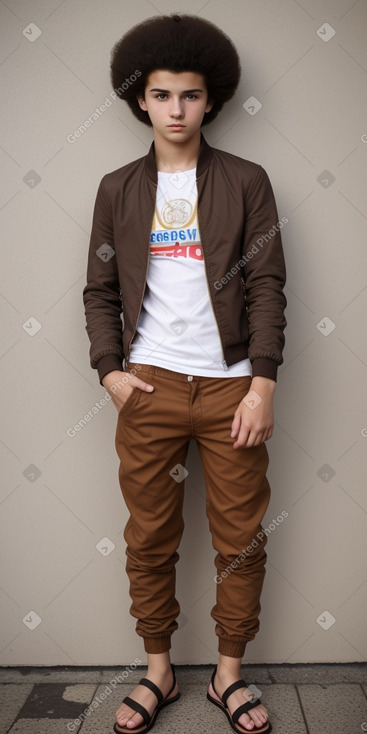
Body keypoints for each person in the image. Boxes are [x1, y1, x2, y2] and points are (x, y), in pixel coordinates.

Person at [83, 13, 287, 734]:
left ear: (211, 100)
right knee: (148, 537)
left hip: (232, 387)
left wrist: (261, 382)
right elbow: (100, 292)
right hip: (150, 387)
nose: (176, 110)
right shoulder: (116, 189)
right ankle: (159, 669)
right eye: (162, 95)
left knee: (240, 541)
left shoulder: (245, 180)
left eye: (190, 96)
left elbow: (265, 285)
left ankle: (227, 676)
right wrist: (110, 371)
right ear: (140, 99)